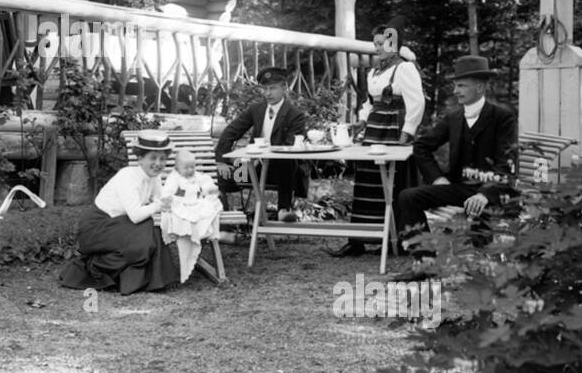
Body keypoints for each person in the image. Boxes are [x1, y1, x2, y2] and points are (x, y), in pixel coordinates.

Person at [393, 54, 518, 258]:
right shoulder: (454, 117)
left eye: (461, 86)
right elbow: (421, 146)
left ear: (479, 87)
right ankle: (425, 262)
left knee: (479, 222)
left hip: (494, 192)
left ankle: (483, 268)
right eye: (455, 85)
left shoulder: (503, 117)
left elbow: (507, 163)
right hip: (461, 188)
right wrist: (438, 179)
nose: (455, 91)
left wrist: (485, 194)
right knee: (408, 197)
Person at [327, 18, 425, 257]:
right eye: (376, 43)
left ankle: (395, 240)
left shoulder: (404, 68)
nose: (378, 47)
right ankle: (358, 240)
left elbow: (417, 103)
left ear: (394, 44)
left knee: (392, 184)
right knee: (367, 184)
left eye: (383, 43)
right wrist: (361, 120)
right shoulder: (374, 71)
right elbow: (370, 102)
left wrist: (407, 134)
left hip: (394, 131)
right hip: (374, 131)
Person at [58, 129, 182, 295]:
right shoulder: (128, 177)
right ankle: (95, 267)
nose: (158, 163)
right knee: (146, 229)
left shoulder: (154, 177)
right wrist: (160, 205)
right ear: (140, 158)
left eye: (162, 158)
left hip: (119, 225)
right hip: (97, 227)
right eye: (153, 157)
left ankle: (148, 280)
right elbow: (136, 215)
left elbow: (162, 200)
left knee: (151, 231)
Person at [215, 67, 309, 220]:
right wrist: (221, 161)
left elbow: (291, 147)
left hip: (278, 173)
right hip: (253, 170)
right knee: (222, 177)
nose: (268, 93)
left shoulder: (295, 115)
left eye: (272, 88)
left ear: (284, 88)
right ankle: (225, 220)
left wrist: (263, 152)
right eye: (264, 88)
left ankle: (283, 210)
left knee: (287, 162)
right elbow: (230, 132)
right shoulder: (256, 109)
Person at [159, 149, 223, 283]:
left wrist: (209, 189)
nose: (190, 170)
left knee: (210, 206)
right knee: (179, 215)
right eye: (186, 167)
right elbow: (167, 191)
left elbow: (208, 185)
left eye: (192, 167)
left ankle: (199, 234)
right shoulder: (174, 178)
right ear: (177, 167)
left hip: (197, 203)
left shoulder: (198, 176)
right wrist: (168, 198)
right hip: (181, 204)